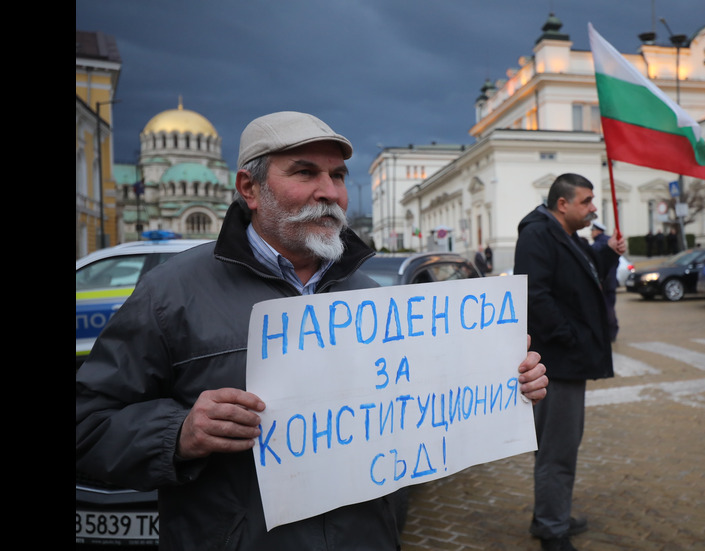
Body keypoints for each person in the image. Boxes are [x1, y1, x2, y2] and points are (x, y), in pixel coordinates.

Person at [75, 111, 549, 551]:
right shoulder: (170, 293)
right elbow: (88, 427)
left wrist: (505, 380)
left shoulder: (373, 297)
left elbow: (422, 396)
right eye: (305, 173)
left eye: (338, 176)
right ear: (250, 188)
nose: (331, 192)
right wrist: (179, 434)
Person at [513, 173, 626, 551]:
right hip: (556, 364)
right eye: (587, 200)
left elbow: (580, 274)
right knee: (557, 450)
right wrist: (570, 337)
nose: (594, 208)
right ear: (563, 204)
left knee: (561, 446)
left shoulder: (564, 235)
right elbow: (535, 294)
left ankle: (550, 514)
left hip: (566, 361)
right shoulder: (537, 235)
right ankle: (551, 530)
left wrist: (608, 250)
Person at [590, 222, 619, 342]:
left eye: (592, 231)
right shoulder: (611, 242)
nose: (591, 234)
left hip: (604, 282)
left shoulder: (599, 244)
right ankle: (611, 332)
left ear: (597, 231)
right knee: (610, 307)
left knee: (606, 309)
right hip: (611, 282)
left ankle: (609, 333)